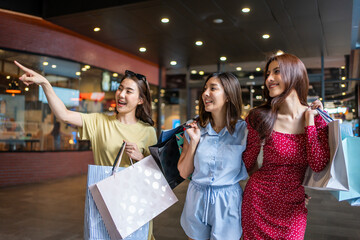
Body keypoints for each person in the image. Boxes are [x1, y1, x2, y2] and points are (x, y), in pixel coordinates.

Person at [14, 61, 157, 240]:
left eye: (129, 91)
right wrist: (45, 83)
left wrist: (140, 157)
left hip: (135, 204)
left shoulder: (148, 131)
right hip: (105, 202)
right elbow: (64, 114)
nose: (121, 94)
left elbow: (155, 175)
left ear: (141, 100)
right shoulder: (100, 122)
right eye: (120, 88)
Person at [241, 53, 330, 239]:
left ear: (295, 74)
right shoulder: (260, 116)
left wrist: (310, 124)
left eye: (276, 72)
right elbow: (248, 162)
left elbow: (318, 164)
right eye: (267, 74)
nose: (269, 79)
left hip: (293, 208)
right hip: (258, 202)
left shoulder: (316, 118)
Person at [177, 72, 248, 240]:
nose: (205, 93)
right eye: (205, 89)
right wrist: (194, 142)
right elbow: (183, 172)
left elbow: (257, 169)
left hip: (228, 201)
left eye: (213, 88)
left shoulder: (244, 130)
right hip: (197, 198)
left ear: (228, 96)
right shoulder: (193, 127)